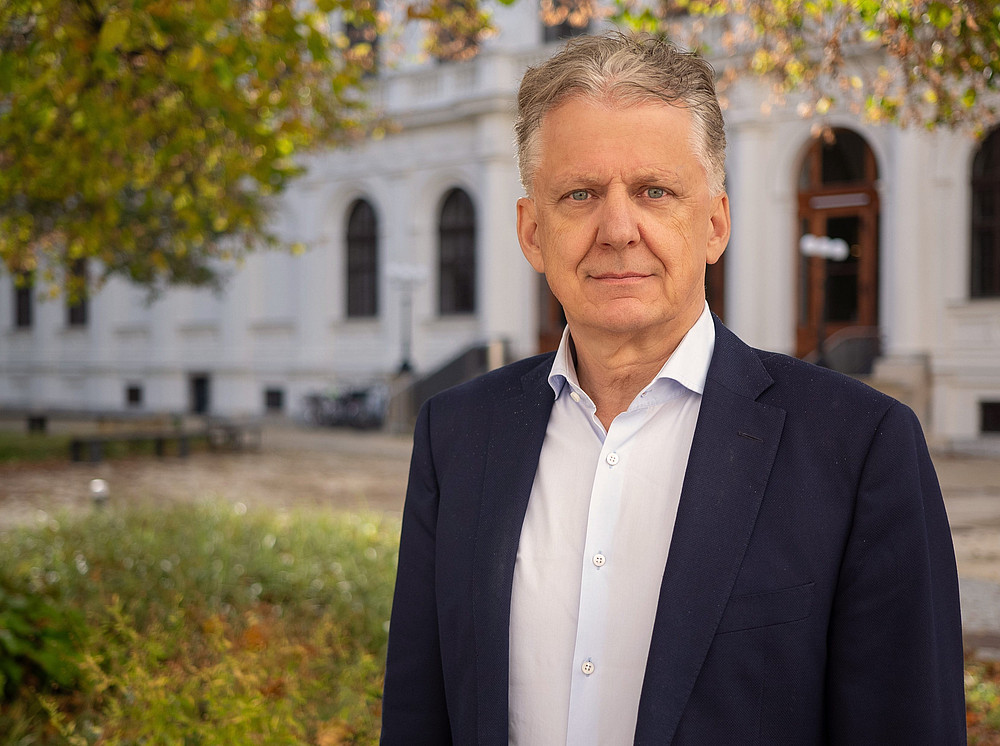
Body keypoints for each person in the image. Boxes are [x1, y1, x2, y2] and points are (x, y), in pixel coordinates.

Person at [381, 30, 966, 745]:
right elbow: (419, 713)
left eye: (655, 191)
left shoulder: (859, 447)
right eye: (580, 194)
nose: (618, 229)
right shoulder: (456, 433)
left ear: (715, 222)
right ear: (533, 232)